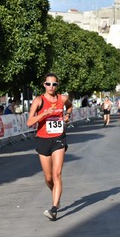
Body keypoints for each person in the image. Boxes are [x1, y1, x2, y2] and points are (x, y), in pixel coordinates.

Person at [27, 73, 73, 221]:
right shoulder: (39, 100)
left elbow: (70, 106)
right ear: (44, 85)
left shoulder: (62, 99)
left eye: (54, 84)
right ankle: (56, 195)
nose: (51, 87)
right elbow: (29, 122)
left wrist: (67, 116)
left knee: (57, 174)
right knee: (48, 178)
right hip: (43, 139)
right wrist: (45, 113)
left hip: (59, 138)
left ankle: (54, 209)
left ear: (57, 85)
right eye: (48, 84)